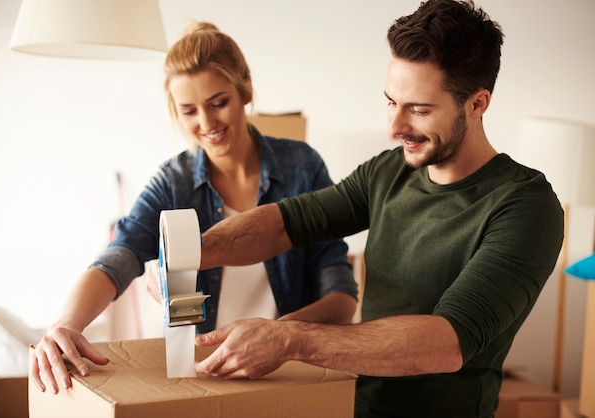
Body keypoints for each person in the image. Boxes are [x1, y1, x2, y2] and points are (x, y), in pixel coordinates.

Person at [181, 1, 564, 417]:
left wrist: (288, 338)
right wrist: (195, 252)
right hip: (353, 407)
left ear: (477, 103)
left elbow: (447, 342)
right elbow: (287, 223)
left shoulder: (525, 206)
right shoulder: (388, 171)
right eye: (391, 102)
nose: (395, 127)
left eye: (418, 109)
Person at [30, 21, 358, 395]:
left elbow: (342, 298)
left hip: (288, 377)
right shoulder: (173, 182)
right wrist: (67, 323)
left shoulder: (303, 166)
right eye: (189, 111)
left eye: (219, 103)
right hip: (206, 380)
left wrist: (280, 336)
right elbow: (118, 257)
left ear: (244, 90)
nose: (206, 123)